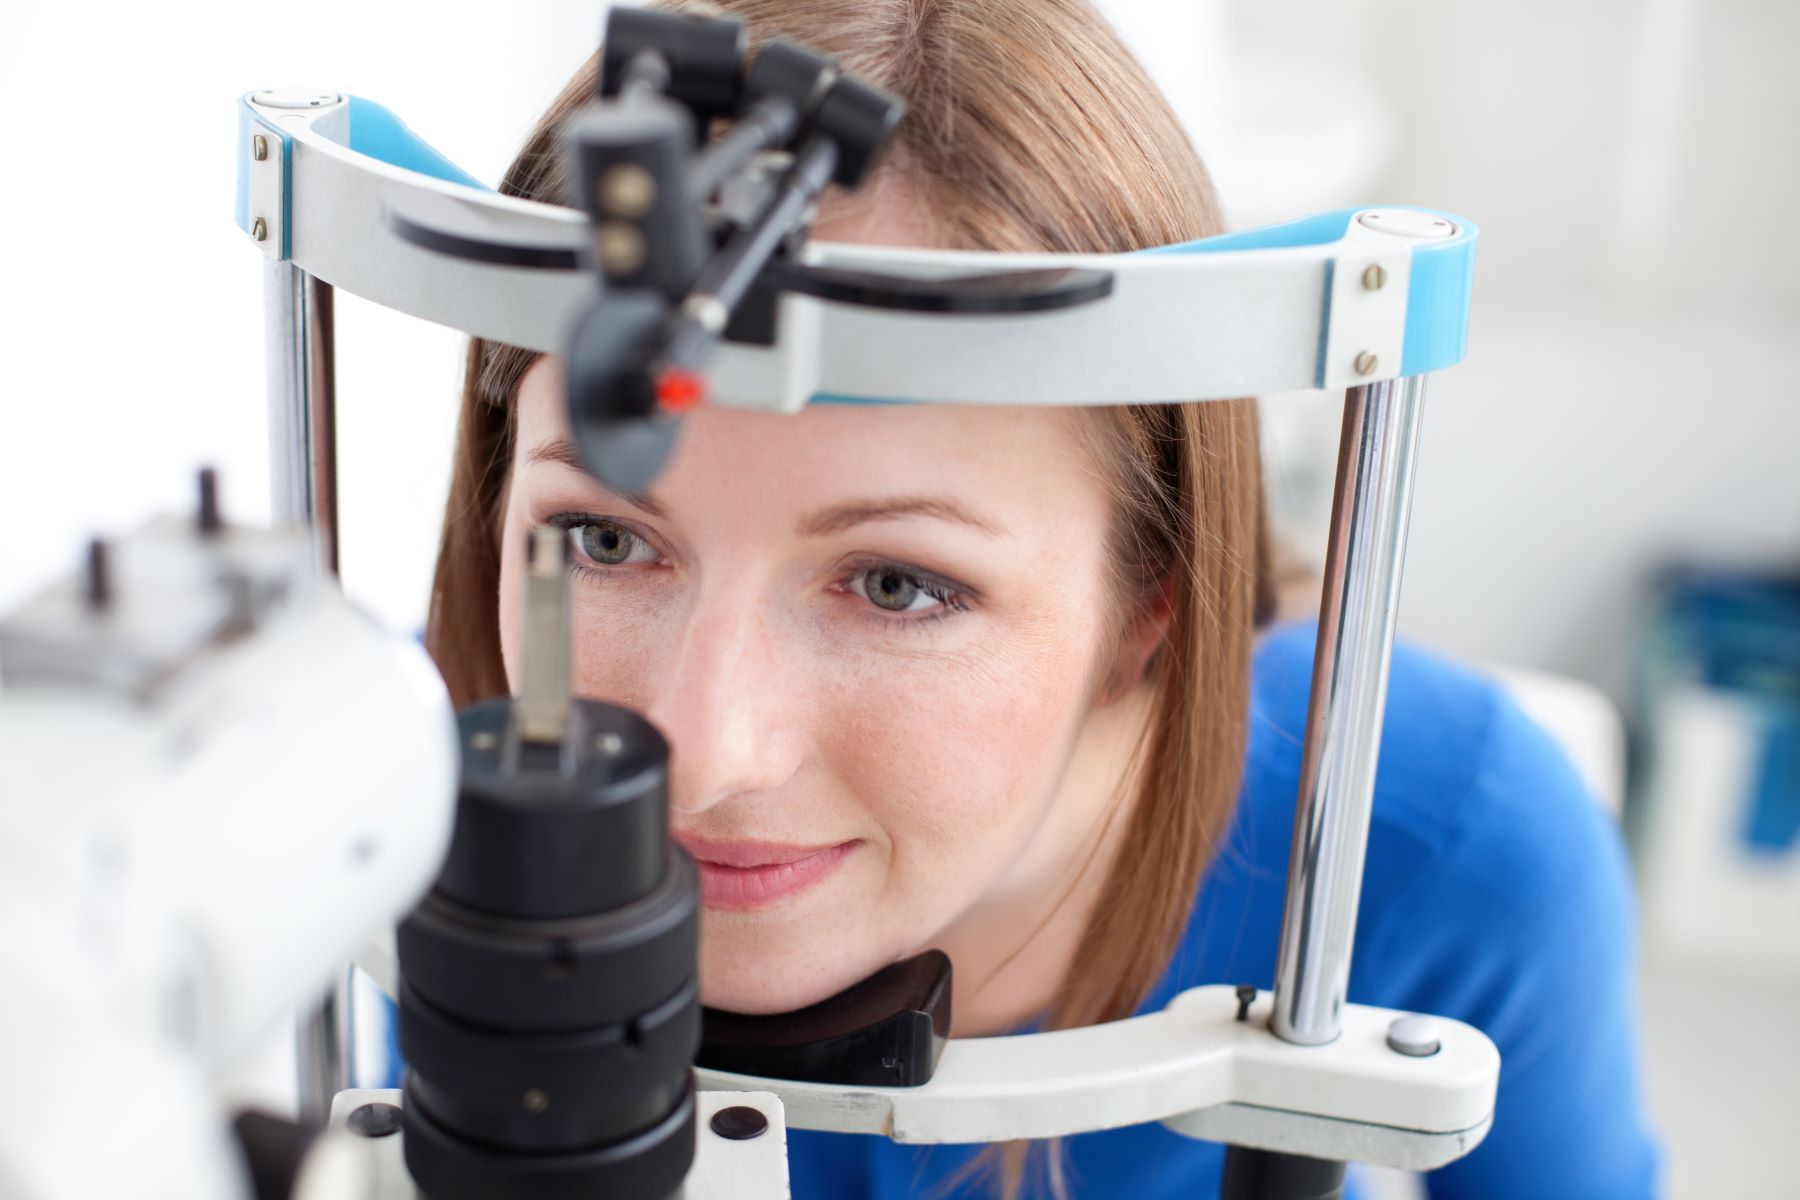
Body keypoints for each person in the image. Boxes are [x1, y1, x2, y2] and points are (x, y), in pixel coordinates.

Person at [425, 0, 1660, 1195]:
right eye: (602, 538)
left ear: (1152, 605)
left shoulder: (1452, 846)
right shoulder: (397, 784)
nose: (701, 757)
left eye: (896, 586)